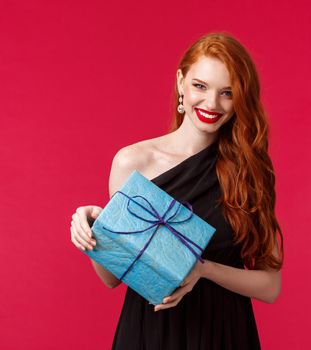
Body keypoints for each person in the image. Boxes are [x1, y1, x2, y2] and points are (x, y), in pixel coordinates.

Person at [70, 32, 284, 350]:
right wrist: (93, 231)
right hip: (149, 332)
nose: (211, 103)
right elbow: (112, 277)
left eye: (227, 93)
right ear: (181, 82)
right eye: (200, 86)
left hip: (222, 333)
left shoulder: (249, 171)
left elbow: (270, 286)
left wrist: (203, 270)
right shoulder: (133, 161)